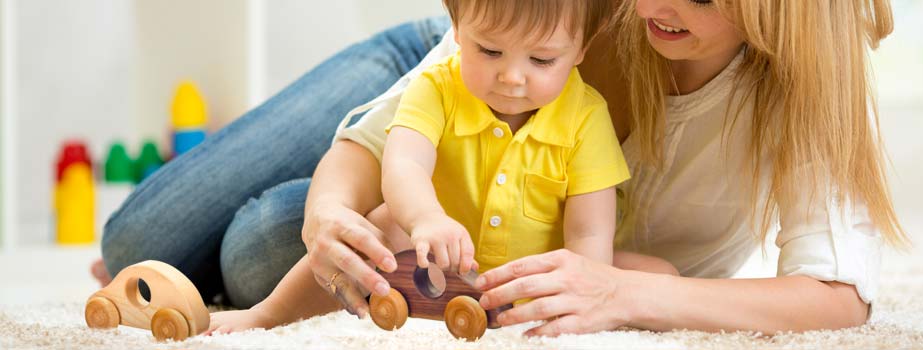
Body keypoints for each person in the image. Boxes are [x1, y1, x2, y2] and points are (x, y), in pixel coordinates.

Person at [100, 0, 907, 337]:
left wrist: (623, 290)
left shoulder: (811, 86)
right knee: (151, 231)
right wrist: (328, 211)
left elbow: (839, 296)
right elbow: (386, 145)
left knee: (251, 251)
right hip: (448, 65)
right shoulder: (582, 14)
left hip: (473, 220)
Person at [202, 0, 630, 334]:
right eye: (490, 51)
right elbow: (404, 163)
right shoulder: (437, 87)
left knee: (651, 274)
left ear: (581, 50)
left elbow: (589, 231)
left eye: (541, 61)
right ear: (458, 31)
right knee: (373, 229)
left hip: (532, 266)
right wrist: (426, 219)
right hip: (436, 249)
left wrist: (574, 295)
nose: (512, 77)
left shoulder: (588, 116)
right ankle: (267, 313)